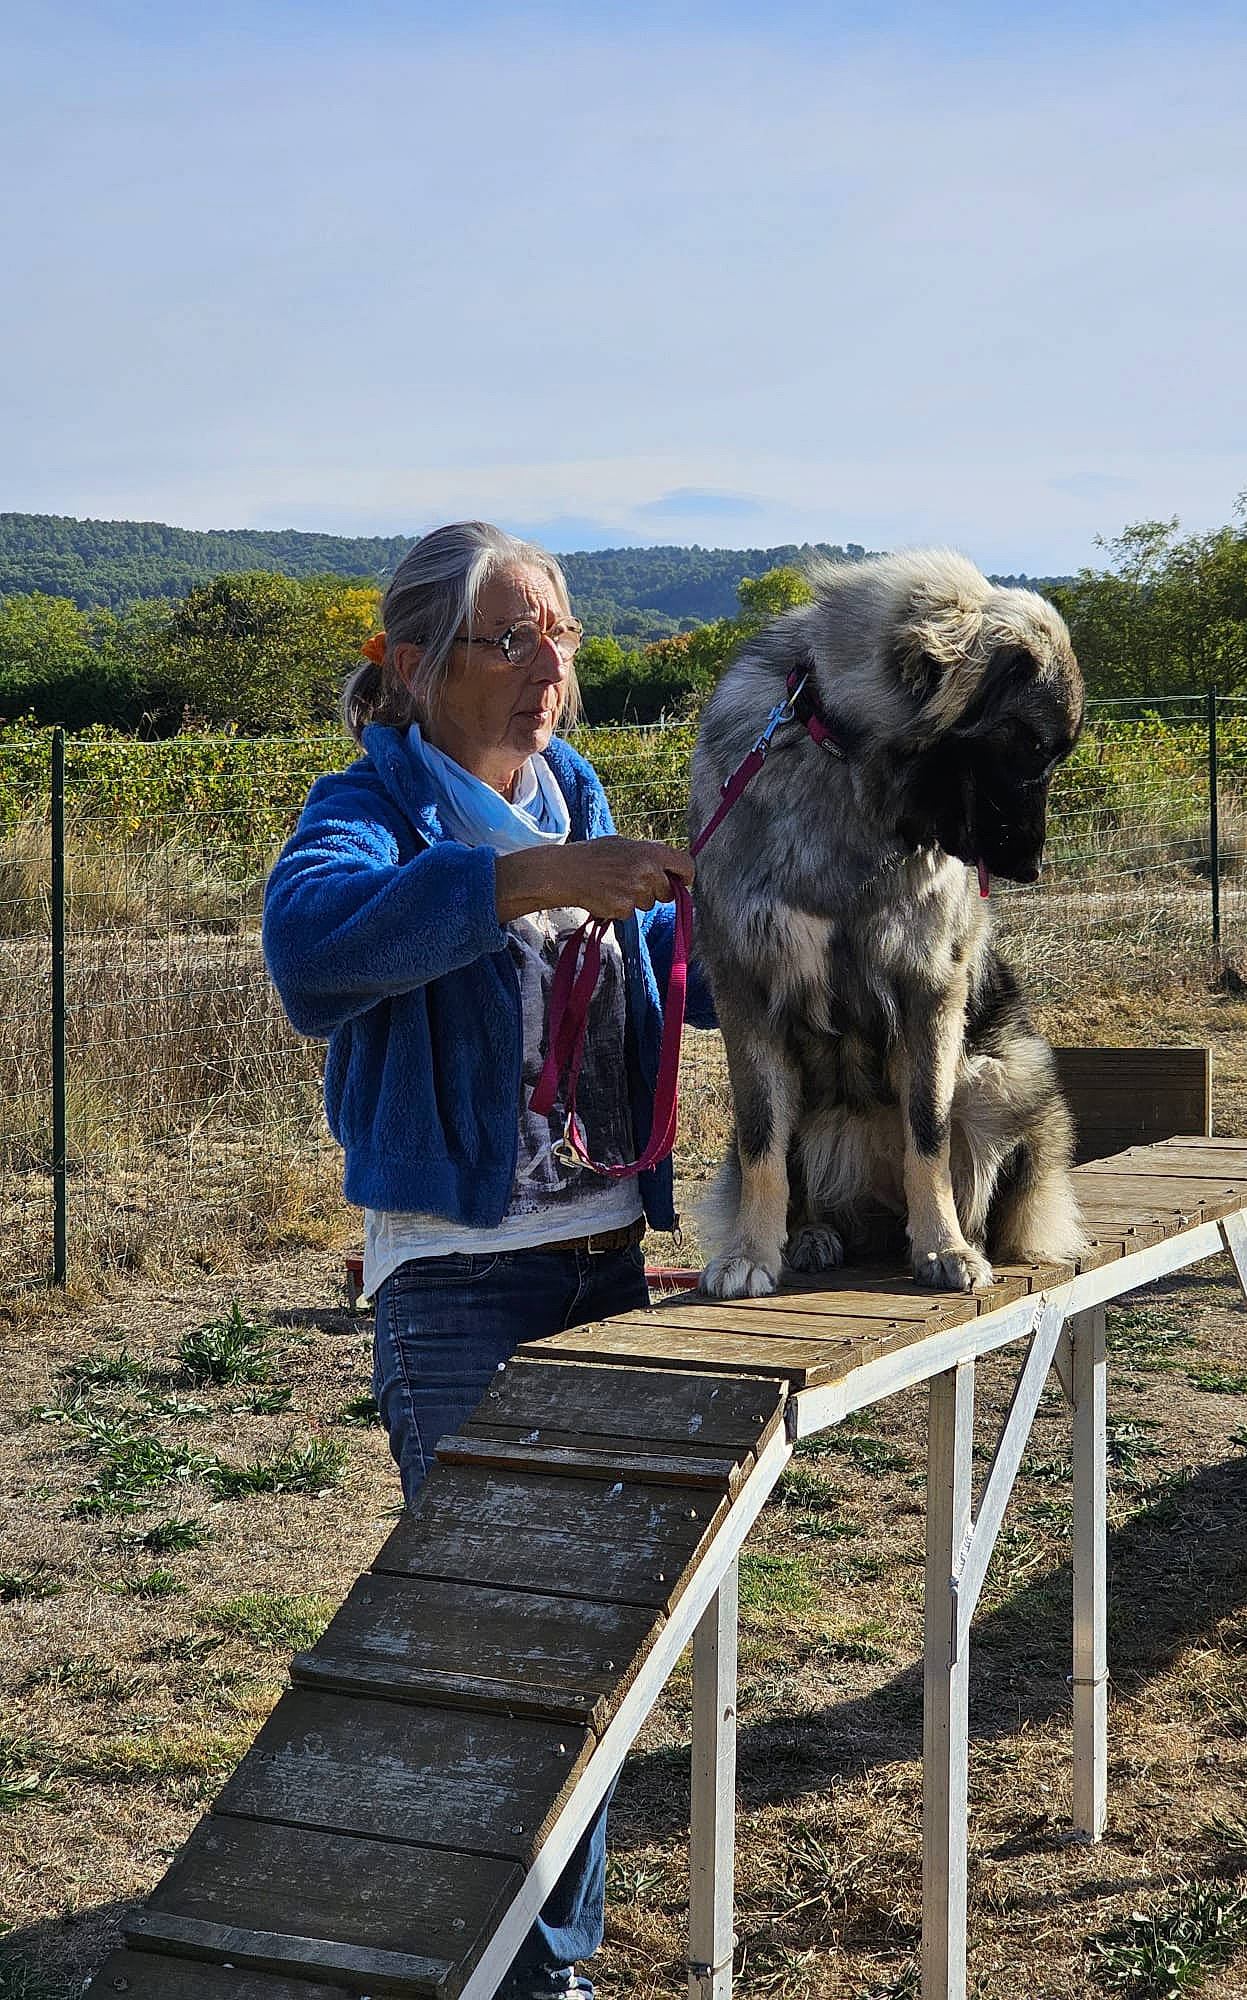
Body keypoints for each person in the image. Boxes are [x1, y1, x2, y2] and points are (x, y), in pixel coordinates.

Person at [262, 519, 712, 2000]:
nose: (548, 668)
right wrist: (527, 884)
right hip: (456, 1289)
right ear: (411, 664)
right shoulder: (373, 806)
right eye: (508, 638)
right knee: (495, 1650)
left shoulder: (571, 792)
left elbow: (665, 989)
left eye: (562, 634)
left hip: (601, 1267)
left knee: (584, 1651)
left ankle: (548, 1970)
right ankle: (517, 1972)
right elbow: (312, 956)